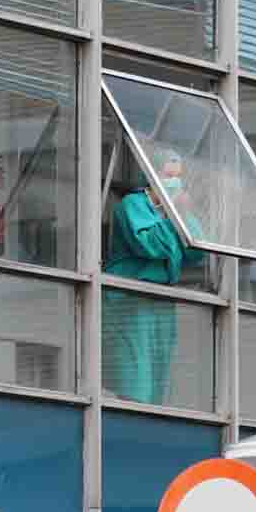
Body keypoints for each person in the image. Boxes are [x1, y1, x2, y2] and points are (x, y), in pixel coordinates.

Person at [102, 151, 194, 405]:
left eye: (178, 176)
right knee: (135, 374)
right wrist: (174, 216)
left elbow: (196, 250)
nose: (175, 182)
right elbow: (150, 244)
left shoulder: (173, 211)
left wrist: (182, 215)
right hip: (131, 298)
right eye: (169, 175)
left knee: (158, 372)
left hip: (162, 300)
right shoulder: (132, 205)